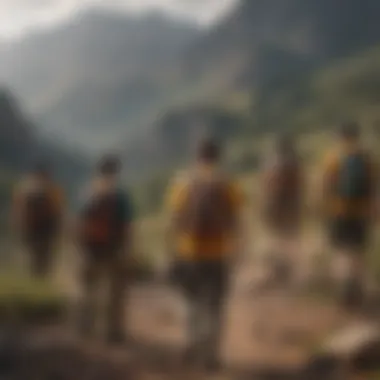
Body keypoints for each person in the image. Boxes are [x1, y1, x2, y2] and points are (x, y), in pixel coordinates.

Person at [166, 137, 244, 371]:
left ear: (196, 157)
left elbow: (173, 220)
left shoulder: (183, 183)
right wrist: (238, 251)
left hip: (189, 252)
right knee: (215, 305)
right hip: (219, 252)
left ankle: (192, 344)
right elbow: (237, 221)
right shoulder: (226, 183)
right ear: (218, 157)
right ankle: (211, 354)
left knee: (192, 301)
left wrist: (171, 251)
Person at [75, 154, 134, 344]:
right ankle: (113, 332)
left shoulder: (87, 192)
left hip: (90, 249)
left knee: (87, 290)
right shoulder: (120, 195)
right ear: (116, 172)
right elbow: (127, 225)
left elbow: (79, 223)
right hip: (114, 249)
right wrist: (128, 249)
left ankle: (85, 327)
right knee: (115, 294)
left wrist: (78, 246)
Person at [321, 122, 377, 310]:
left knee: (342, 251)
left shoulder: (334, 157)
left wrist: (324, 209)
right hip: (361, 212)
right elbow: (373, 187)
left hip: (339, 211)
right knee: (358, 252)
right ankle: (359, 289)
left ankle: (347, 291)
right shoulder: (366, 158)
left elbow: (326, 186)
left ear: (340, 136)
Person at [258, 133, 304, 289]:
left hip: (274, 206)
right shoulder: (295, 164)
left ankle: (277, 270)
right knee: (289, 238)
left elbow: (265, 185)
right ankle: (288, 270)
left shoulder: (271, 164)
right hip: (291, 206)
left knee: (275, 238)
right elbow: (300, 186)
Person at [11, 161, 64, 278]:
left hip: (28, 227)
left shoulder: (25, 186)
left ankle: (31, 276)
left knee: (30, 254)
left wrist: (17, 224)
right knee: (43, 256)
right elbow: (58, 211)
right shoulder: (52, 188)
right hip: (46, 229)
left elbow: (17, 208)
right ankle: (40, 276)